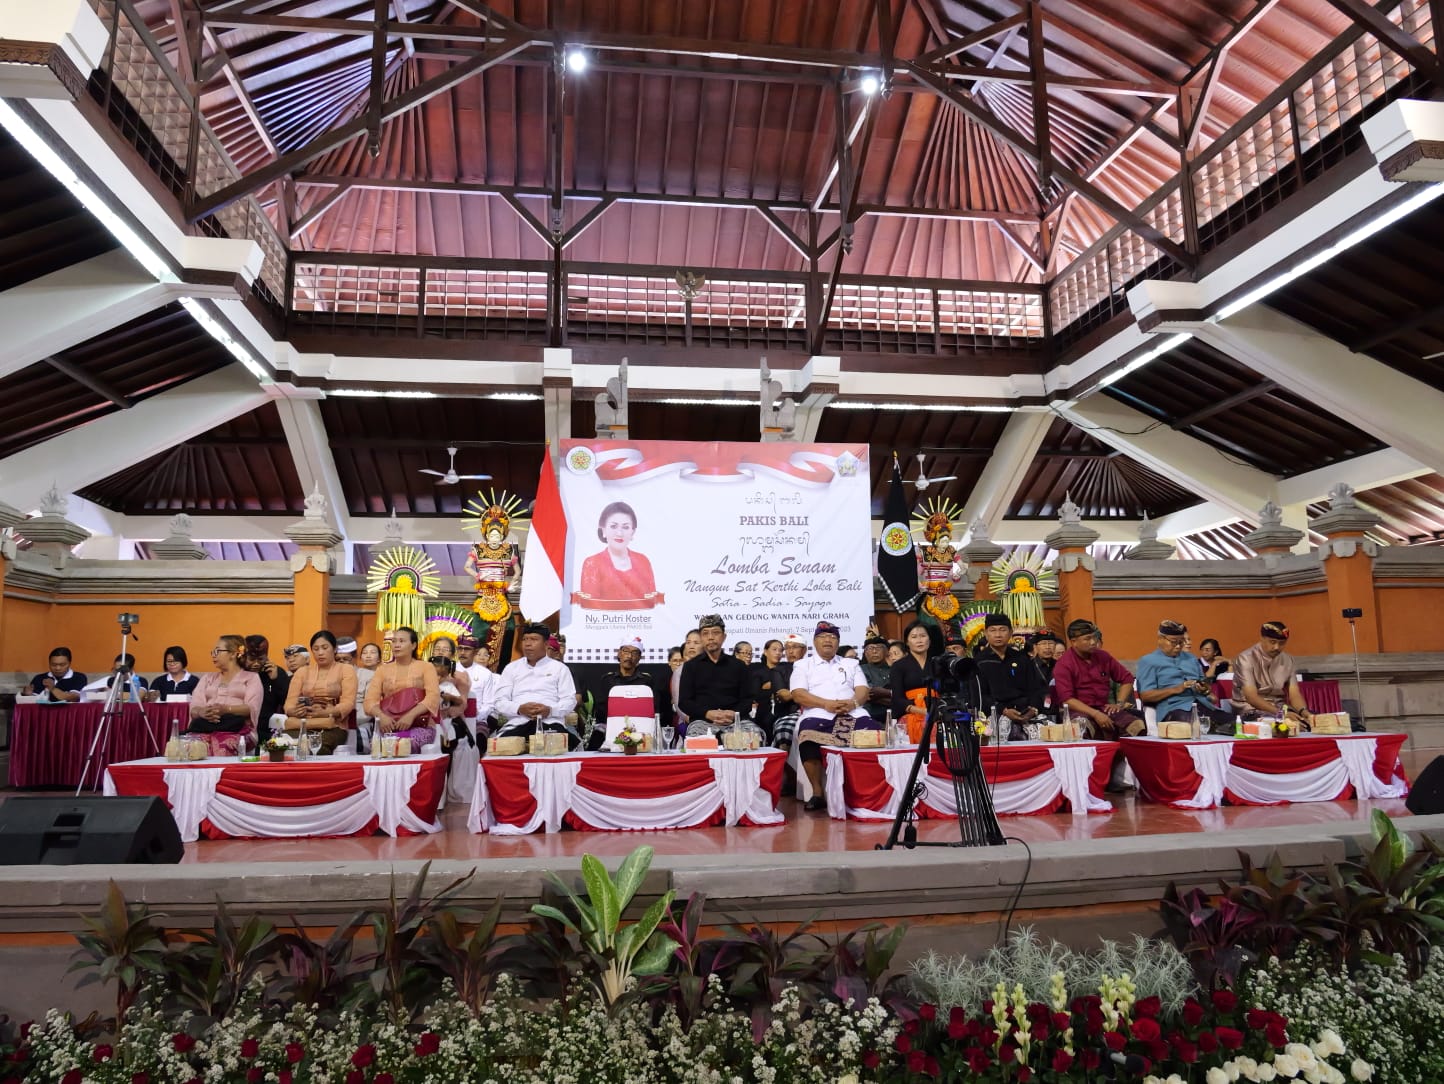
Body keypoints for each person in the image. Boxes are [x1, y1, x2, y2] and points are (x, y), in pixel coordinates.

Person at [790, 621, 876, 811]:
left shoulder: (851, 663)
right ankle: (817, 792)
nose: (828, 640)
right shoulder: (803, 665)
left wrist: (853, 703)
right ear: (814, 641)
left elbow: (863, 690)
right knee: (807, 735)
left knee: (874, 733)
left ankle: (864, 790)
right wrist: (825, 704)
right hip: (818, 712)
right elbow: (798, 694)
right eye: (823, 637)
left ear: (838, 642)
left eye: (833, 637)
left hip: (852, 711)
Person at [1137, 620, 1236, 735]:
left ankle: (1216, 727)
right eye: (1174, 642)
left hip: (1203, 706)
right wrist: (1177, 689)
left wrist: (1204, 689)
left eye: (1181, 641)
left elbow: (1205, 684)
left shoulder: (1191, 658)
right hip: (1173, 710)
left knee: (1238, 724)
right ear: (1160, 639)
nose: (1178, 646)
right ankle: (1213, 727)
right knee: (1196, 726)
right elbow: (1146, 695)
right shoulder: (1148, 661)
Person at [1052, 619, 1144, 740]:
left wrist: (1120, 704)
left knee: (1137, 726)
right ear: (1074, 642)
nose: (1093, 642)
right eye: (1087, 639)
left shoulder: (1103, 656)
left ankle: (1123, 752)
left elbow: (1127, 679)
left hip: (1103, 707)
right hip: (1077, 710)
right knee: (1081, 727)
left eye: (1094, 637)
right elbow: (1067, 700)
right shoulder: (1064, 664)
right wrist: (1095, 714)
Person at [494, 622, 580, 745]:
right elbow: (499, 701)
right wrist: (519, 709)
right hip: (518, 723)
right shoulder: (511, 668)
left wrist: (550, 710)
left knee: (567, 746)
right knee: (500, 748)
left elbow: (569, 701)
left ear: (546, 644)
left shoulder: (560, 668)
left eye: (534, 639)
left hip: (550, 723)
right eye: (525, 639)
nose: (527, 644)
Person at [573, 501, 662, 610]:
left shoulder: (643, 561)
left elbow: (652, 604)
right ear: (603, 530)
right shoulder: (592, 563)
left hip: (641, 620)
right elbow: (590, 608)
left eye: (625, 527)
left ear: (632, 532)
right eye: (613, 526)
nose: (619, 533)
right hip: (604, 620)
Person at [585, 637, 671, 750]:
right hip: (610, 727)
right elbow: (601, 710)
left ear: (639, 657)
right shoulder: (607, 680)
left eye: (634, 653)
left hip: (641, 729)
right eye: (626, 651)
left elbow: (654, 710)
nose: (629, 656)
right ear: (619, 653)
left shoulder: (647, 681)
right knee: (595, 744)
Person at [282, 630, 358, 756]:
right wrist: (294, 711)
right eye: (316, 649)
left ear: (334, 649)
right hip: (302, 723)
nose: (320, 653)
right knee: (281, 745)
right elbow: (289, 703)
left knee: (314, 747)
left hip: (333, 726)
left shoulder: (346, 670)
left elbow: (348, 703)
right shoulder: (302, 672)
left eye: (325, 648)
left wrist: (327, 712)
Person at [363, 625, 440, 746]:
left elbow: (433, 697)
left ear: (413, 645)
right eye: (394, 641)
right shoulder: (382, 670)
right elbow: (369, 702)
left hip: (419, 725)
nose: (396, 645)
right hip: (389, 726)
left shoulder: (426, 667)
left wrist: (410, 716)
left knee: (403, 745)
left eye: (402, 641)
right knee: (379, 747)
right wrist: (382, 717)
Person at [186, 634, 263, 755]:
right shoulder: (208, 678)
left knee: (223, 745)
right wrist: (202, 712)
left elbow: (252, 708)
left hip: (237, 728)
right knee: (185, 745)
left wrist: (226, 710)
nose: (214, 655)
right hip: (206, 726)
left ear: (233, 654)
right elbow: (194, 707)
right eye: (213, 652)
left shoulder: (251, 678)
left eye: (218, 651)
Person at [677, 614, 752, 732]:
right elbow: (684, 702)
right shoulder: (690, 666)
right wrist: (707, 713)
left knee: (756, 735)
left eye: (715, 633)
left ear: (724, 637)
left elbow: (747, 700)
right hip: (702, 721)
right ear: (701, 638)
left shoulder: (739, 666)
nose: (710, 637)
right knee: (696, 737)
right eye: (705, 633)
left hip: (736, 721)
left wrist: (733, 714)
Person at [974, 614, 1046, 736]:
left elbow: (1036, 688)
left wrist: (1033, 709)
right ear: (986, 633)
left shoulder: (1022, 658)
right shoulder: (979, 662)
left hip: (1025, 712)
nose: (998, 635)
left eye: (1003, 630)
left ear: (1011, 632)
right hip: (994, 716)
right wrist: (1004, 711)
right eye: (993, 630)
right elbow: (979, 696)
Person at [1232, 622, 1313, 728]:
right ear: (1262, 638)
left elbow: (1294, 694)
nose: (1276, 647)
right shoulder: (1245, 658)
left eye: (1282, 643)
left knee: (1308, 722)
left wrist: (1303, 711)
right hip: (1250, 709)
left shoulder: (1288, 659)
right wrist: (1281, 714)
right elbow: (1251, 697)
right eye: (1272, 642)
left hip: (1280, 707)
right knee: (1285, 726)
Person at [449, 634, 497, 802]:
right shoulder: (450, 670)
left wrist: (475, 717)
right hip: (453, 717)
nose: (463, 652)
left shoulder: (485, 674)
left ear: (475, 652)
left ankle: (475, 787)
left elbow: (489, 703)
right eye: (460, 648)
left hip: (479, 718)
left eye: (467, 649)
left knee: (477, 739)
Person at [890, 620, 943, 738]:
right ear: (907, 642)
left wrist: (937, 711)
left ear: (929, 640)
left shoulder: (938, 664)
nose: (919, 640)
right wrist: (922, 711)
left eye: (923, 636)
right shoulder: (898, 666)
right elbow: (897, 699)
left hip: (937, 713)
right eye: (914, 637)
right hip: (910, 713)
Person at [243, 636, 290, 741]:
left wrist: (276, 680)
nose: (256, 663)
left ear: (267, 657)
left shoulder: (276, 672)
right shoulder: (238, 673)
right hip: (241, 728)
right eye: (251, 659)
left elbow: (286, 702)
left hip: (267, 729)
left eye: (260, 659)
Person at [749, 638, 791, 742]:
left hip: (785, 710)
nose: (778, 653)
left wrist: (771, 686)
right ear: (765, 651)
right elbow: (754, 695)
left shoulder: (787, 668)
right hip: (764, 711)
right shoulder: (757, 670)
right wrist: (778, 687)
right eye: (774, 649)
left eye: (780, 650)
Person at [858, 636, 893, 724]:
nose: (874, 651)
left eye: (878, 648)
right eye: (870, 648)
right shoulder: (860, 669)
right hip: (869, 715)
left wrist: (883, 692)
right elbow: (869, 694)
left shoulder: (895, 670)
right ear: (865, 653)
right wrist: (894, 696)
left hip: (893, 716)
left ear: (887, 651)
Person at [81, 654, 150, 697]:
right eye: (115, 670)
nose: (117, 673)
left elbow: (137, 697)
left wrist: (111, 693)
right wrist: (101, 693)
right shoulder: (110, 680)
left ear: (131, 669)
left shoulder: (140, 681)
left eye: (121, 670)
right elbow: (84, 693)